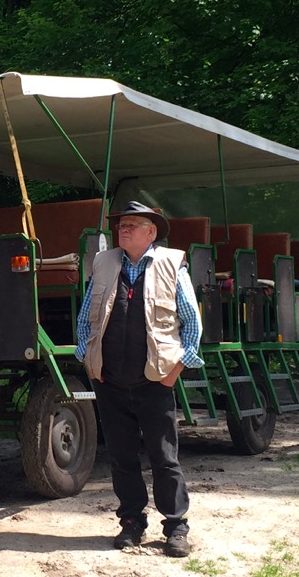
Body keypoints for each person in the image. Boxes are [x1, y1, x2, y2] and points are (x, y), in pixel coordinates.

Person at [75, 200, 203, 556]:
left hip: (155, 380)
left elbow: (191, 322)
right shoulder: (104, 263)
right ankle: (131, 523)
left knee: (164, 457)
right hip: (110, 381)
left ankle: (176, 526)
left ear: (152, 232)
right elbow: (86, 318)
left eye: (132, 224)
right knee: (121, 457)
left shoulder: (171, 263)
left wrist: (176, 369)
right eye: (121, 225)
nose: (123, 229)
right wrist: (89, 361)